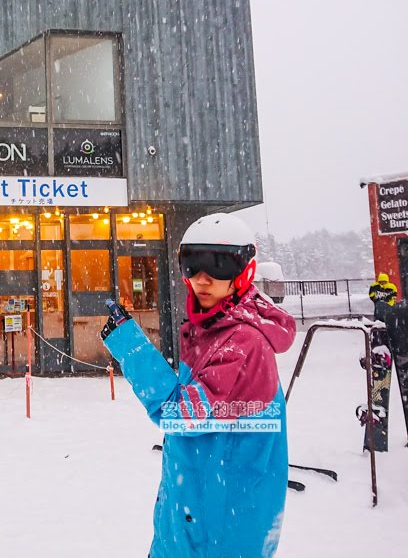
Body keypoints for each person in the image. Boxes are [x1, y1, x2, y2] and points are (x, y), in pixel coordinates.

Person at [101, 212, 296, 558]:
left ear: (244, 271)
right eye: (191, 264)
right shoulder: (214, 329)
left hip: (216, 526)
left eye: (219, 265)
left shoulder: (242, 342)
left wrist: (131, 347)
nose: (202, 278)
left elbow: (177, 414)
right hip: (195, 509)